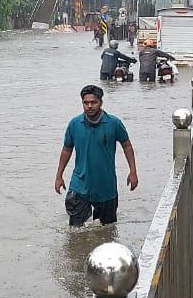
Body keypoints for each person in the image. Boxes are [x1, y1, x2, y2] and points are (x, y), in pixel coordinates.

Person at [54, 85, 139, 227]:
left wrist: (133, 171)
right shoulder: (74, 124)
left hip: (106, 186)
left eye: (93, 102)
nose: (89, 106)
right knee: (75, 231)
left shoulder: (114, 123)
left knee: (108, 229)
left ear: (101, 102)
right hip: (80, 185)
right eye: (86, 103)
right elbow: (66, 150)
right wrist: (59, 176)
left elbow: (127, 146)